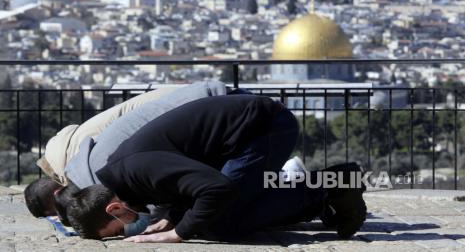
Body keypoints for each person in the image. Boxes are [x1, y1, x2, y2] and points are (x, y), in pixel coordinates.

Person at [65, 95, 366, 242]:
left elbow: (215, 189)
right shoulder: (126, 174)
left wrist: (177, 233)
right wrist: (172, 216)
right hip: (243, 135)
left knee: (219, 220)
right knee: (211, 217)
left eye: (120, 229)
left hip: (264, 127)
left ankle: (330, 188)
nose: (130, 228)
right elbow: (184, 184)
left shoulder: (136, 168)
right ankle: (326, 189)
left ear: (114, 208)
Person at [24, 81, 229, 221]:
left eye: (62, 211)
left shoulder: (95, 169)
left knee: (238, 189)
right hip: (195, 100)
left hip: (211, 110)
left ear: (59, 194)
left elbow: (155, 178)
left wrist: (167, 223)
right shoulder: (77, 156)